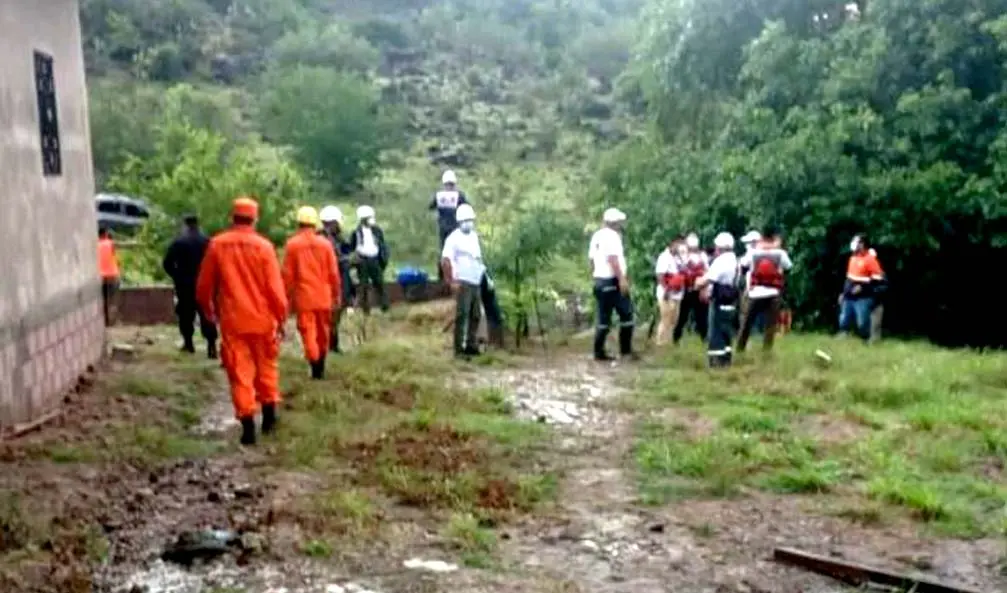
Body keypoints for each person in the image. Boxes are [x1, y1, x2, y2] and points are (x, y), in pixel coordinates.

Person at [196, 197, 288, 446]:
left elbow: (204, 285)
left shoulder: (217, 245)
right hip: (263, 320)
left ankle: (247, 424)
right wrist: (281, 318)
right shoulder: (264, 247)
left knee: (240, 373)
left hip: (233, 321)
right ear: (255, 219)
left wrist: (208, 310)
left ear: (232, 218)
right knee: (266, 368)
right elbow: (275, 289)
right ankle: (269, 418)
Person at [283, 206, 341, 380]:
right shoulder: (325, 244)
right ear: (315, 223)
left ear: (299, 223)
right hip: (324, 297)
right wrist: (336, 295)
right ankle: (320, 367)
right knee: (323, 332)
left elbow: (287, 276)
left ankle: (314, 362)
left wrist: (284, 298)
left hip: (304, 298)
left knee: (308, 332)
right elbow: (333, 273)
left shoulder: (292, 245)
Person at [163, 214, 218, 358]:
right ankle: (211, 345)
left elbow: (167, 263)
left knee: (186, 314)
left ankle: (189, 343)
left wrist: (176, 276)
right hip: (204, 283)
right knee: (206, 313)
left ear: (185, 225)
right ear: (198, 224)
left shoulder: (179, 241)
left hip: (185, 284)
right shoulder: (207, 241)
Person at [589, 208, 636, 361]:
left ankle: (598, 351)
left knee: (603, 318)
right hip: (612, 280)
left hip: (599, 280)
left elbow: (591, 259)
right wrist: (622, 279)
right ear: (615, 223)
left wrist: (594, 274)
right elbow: (613, 259)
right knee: (627, 314)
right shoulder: (612, 236)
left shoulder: (597, 235)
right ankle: (626, 351)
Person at [737, 227, 792, 352]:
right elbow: (788, 267)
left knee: (746, 324)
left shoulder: (753, 252)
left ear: (762, 237)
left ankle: (740, 348)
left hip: (755, 292)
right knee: (770, 326)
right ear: (774, 237)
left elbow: (743, 267)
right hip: (773, 293)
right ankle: (766, 351)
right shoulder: (780, 253)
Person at [441, 204, 484, 357]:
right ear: (460, 221)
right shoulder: (453, 238)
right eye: (466, 220)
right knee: (462, 315)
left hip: (475, 280)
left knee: (476, 315)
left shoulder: (474, 237)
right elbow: (446, 260)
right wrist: (451, 281)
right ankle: (459, 349)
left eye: (470, 220)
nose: (469, 223)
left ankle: (471, 345)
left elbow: (478, 258)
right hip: (462, 281)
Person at [695, 232, 740, 367]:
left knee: (716, 332)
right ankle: (726, 360)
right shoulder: (734, 259)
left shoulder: (721, 261)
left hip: (720, 300)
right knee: (726, 332)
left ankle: (716, 362)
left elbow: (707, 279)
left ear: (720, 247)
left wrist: (698, 282)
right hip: (731, 300)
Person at [319, 205, 355, 353]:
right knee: (332, 314)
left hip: (339, 280)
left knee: (336, 314)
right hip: (331, 281)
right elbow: (333, 261)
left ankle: (332, 343)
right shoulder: (324, 239)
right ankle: (330, 344)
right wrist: (350, 260)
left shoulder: (336, 238)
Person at [838, 234, 884, 340]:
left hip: (863, 297)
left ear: (862, 244)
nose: (853, 244)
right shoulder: (853, 258)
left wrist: (862, 288)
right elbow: (849, 278)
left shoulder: (870, 260)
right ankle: (843, 334)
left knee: (862, 322)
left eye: (856, 241)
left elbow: (878, 281)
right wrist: (843, 293)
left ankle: (866, 339)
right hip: (849, 296)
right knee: (844, 318)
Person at [349, 205, 389, 314]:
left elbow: (382, 245)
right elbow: (351, 247)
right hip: (362, 261)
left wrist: (383, 259)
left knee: (379, 283)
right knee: (364, 285)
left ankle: (385, 306)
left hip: (374, 259)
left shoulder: (377, 230)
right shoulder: (356, 232)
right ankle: (366, 310)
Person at [430, 170, 469, 281]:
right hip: (456, 228)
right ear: (454, 183)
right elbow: (467, 207)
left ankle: (442, 277)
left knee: (444, 252)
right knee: (457, 253)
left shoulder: (439, 196)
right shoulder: (459, 195)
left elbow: (431, 206)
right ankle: (456, 277)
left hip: (443, 228)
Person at [673, 232, 709, 344]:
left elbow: (707, 272)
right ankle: (676, 338)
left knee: (701, 317)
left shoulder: (702, 256)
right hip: (687, 290)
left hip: (699, 289)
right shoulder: (683, 256)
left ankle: (704, 338)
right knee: (683, 317)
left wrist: (705, 288)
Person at [653, 239, 687, 346]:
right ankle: (661, 342)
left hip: (677, 292)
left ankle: (669, 341)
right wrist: (666, 290)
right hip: (666, 292)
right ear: (672, 244)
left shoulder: (679, 257)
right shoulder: (664, 257)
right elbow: (660, 276)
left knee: (674, 319)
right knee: (666, 318)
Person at [97, 227, 121, 327]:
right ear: (106, 234)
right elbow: (115, 257)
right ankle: (112, 320)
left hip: (100, 276)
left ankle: (104, 320)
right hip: (112, 275)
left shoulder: (95, 244)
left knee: (103, 299)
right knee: (112, 299)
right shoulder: (110, 243)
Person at [868, 247, 887, 342]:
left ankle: (875, 340)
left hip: (877, 302)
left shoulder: (880, 273)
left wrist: (873, 291)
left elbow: (884, 287)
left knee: (876, 323)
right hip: (865, 301)